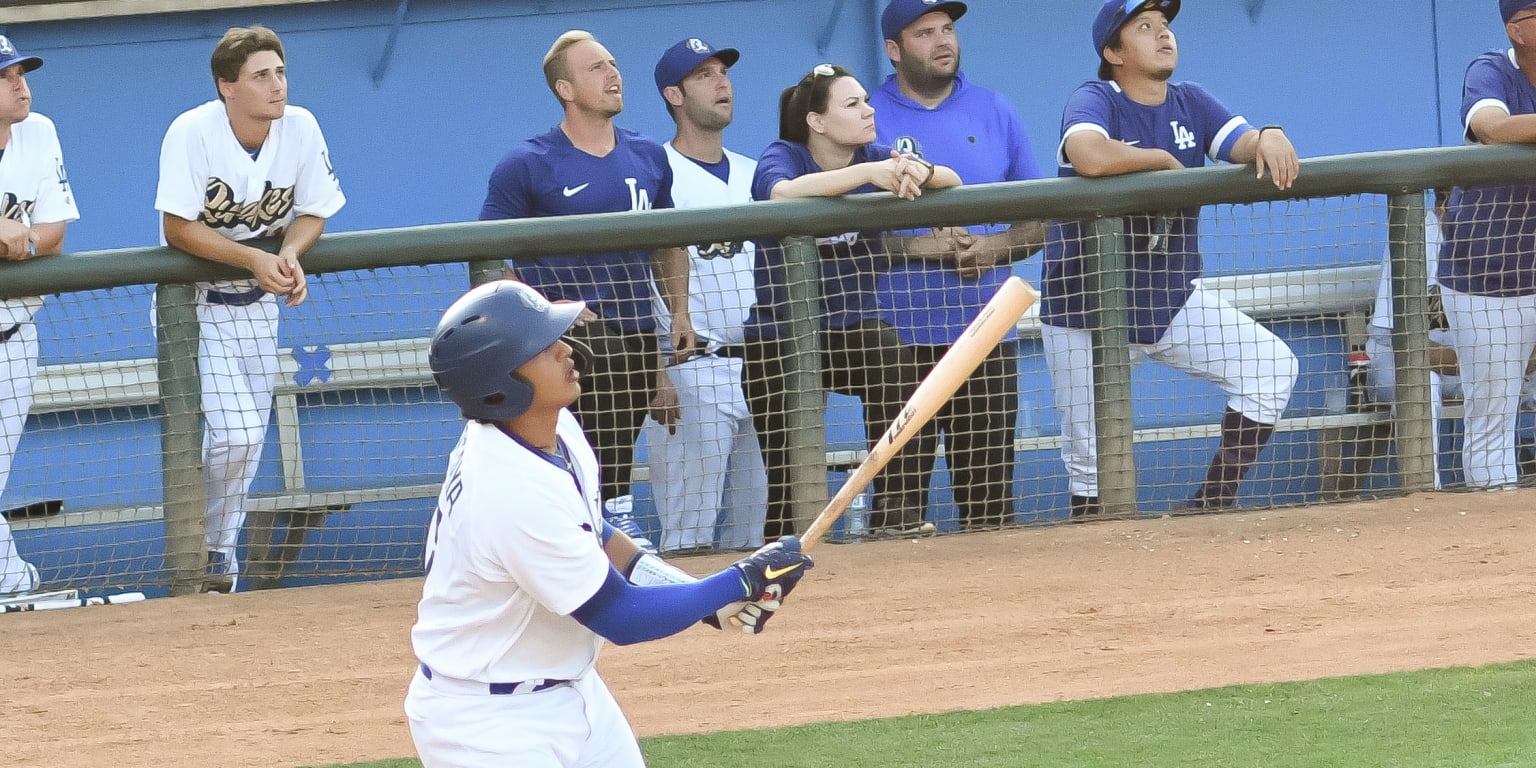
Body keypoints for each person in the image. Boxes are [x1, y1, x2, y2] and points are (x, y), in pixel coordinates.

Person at [405, 280, 812, 767]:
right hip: (487, 725)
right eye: (543, 346)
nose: (566, 349)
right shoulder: (507, 488)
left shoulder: (552, 428)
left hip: (572, 691)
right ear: (502, 381)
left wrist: (703, 598)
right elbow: (620, 616)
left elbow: (595, 533)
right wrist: (737, 581)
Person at [1041, 0, 1300, 517]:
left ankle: (1211, 503)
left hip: (1168, 299)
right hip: (1085, 312)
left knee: (1271, 366)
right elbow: (1089, 154)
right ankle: (1097, 562)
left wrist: (1268, 133)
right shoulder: (1096, 97)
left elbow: (1242, 142)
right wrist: (1160, 160)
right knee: (1092, 466)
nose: (1163, 35)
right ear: (1113, 51)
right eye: (1144, 28)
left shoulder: (1191, 101)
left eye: (1164, 26)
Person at [480, 30, 696, 541]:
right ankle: (605, 518)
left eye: (614, 63)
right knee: (593, 401)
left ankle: (607, 517)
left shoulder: (649, 155)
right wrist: (547, 310)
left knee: (625, 399)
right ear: (566, 89)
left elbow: (670, 243)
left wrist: (680, 314)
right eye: (597, 68)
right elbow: (489, 257)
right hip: (563, 340)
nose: (613, 74)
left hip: (638, 328)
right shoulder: (527, 162)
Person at [155, 25, 346, 592]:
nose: (277, 85)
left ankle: (219, 554)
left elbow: (315, 209)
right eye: (261, 75)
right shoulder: (193, 131)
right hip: (194, 309)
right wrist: (250, 258)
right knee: (235, 433)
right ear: (227, 86)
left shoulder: (301, 126)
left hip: (260, 307)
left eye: (280, 72)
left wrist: (287, 252)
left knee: (250, 437)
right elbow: (176, 227)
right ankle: (210, 547)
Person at [746, 63, 960, 541]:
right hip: (779, 338)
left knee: (890, 353)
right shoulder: (785, 154)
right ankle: (784, 546)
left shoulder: (877, 154)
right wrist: (870, 173)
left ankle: (896, 515)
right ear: (817, 122)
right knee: (788, 484)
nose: (868, 110)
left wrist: (916, 169)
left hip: (850, 333)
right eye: (852, 104)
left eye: (866, 100)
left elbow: (952, 178)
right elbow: (781, 195)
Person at [871, 0, 1048, 530]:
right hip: (894, 344)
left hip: (985, 334)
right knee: (897, 512)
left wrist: (993, 249)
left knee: (989, 506)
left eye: (947, 29)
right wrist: (919, 246)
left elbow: (1041, 217)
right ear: (894, 50)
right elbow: (844, 236)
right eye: (924, 33)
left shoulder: (996, 109)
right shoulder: (864, 115)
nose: (943, 40)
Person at [639, 38, 767, 554]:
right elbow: (636, 279)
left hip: (762, 364)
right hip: (691, 369)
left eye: (723, 72)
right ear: (674, 94)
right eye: (704, 76)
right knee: (688, 539)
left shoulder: (758, 172)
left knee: (757, 539)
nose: (722, 83)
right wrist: (657, 373)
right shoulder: (654, 172)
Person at [1434, 0, 1536, 491]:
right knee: (1494, 412)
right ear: (1518, 30)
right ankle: (1495, 530)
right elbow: (1492, 128)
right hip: (1485, 279)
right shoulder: (1491, 69)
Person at [0, 36, 76, 597]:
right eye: (5, 76)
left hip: (16, 335)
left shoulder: (39, 130)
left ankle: (15, 583)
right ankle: (17, 582)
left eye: (21, 71)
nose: (20, 82)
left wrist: (14, 242)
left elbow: (53, 233)